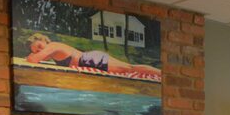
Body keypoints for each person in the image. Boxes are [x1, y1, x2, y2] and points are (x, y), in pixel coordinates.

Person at [25, 33, 160, 78]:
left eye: (38, 46)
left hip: (90, 60)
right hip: (89, 59)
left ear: (43, 39)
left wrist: (34, 55)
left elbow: (33, 59)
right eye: (36, 50)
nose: (39, 51)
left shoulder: (52, 46)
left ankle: (160, 74)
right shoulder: (52, 51)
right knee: (129, 68)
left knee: (130, 68)